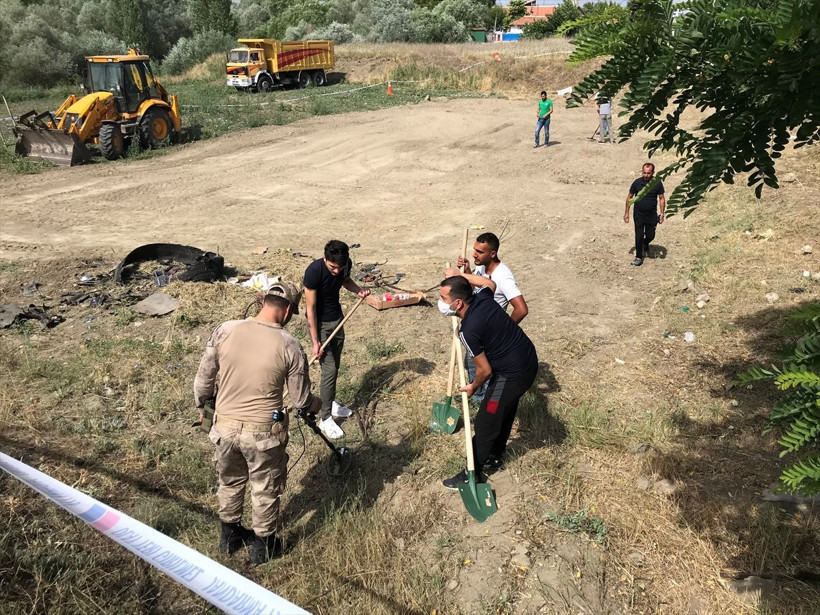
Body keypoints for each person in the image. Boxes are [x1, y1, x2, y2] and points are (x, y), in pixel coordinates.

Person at [193, 282, 321, 565]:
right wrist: (318, 405)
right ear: (288, 311)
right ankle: (263, 547)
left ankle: (229, 536)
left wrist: (203, 407)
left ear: (263, 302)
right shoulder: (290, 345)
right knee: (265, 487)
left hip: (224, 427)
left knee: (229, 481)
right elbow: (300, 400)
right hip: (262, 434)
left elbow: (203, 380)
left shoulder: (225, 330)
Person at [438, 276, 539, 488]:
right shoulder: (483, 297)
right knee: (504, 410)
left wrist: (473, 386)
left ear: (458, 303)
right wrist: (463, 275)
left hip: (510, 375)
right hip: (528, 359)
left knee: (487, 418)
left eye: (443, 298)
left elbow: (484, 370)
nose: (440, 302)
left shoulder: (468, 331)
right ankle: (494, 454)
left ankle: (472, 472)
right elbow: (490, 284)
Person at [445, 232, 529, 403]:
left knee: (481, 368)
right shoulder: (482, 266)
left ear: (493, 254)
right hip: (477, 325)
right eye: (474, 249)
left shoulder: (503, 277)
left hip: (488, 333)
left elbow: (521, 309)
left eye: (480, 252)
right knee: (470, 363)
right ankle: (477, 395)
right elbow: (477, 290)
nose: (474, 254)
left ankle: (482, 400)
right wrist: (467, 271)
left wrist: (506, 328)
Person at [303, 240, 370, 439]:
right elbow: (310, 308)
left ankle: (330, 403)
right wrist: (315, 340)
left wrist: (358, 290)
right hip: (320, 325)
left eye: (339, 267)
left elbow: (346, 281)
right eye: (332, 267)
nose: (336, 271)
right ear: (325, 258)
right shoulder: (313, 272)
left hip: (338, 321)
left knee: (335, 366)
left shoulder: (344, 265)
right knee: (330, 370)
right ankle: (325, 418)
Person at [624, 162, 666, 266]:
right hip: (638, 214)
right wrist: (626, 212)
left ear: (653, 173)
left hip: (651, 215)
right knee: (638, 235)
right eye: (644, 173)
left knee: (651, 235)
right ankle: (638, 257)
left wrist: (662, 214)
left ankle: (646, 242)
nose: (646, 175)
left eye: (648, 173)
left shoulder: (657, 183)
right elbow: (629, 197)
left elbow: (661, 198)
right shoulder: (637, 183)